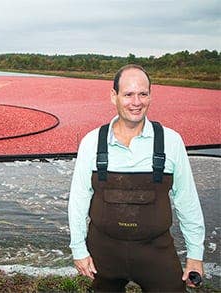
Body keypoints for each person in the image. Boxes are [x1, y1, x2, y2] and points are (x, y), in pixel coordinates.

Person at [68, 64, 205, 292]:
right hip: (104, 252)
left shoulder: (171, 141)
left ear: (150, 95)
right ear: (114, 96)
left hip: (156, 252)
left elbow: (187, 201)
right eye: (128, 94)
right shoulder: (92, 142)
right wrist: (79, 249)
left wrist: (195, 255)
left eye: (143, 94)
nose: (136, 102)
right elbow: (79, 199)